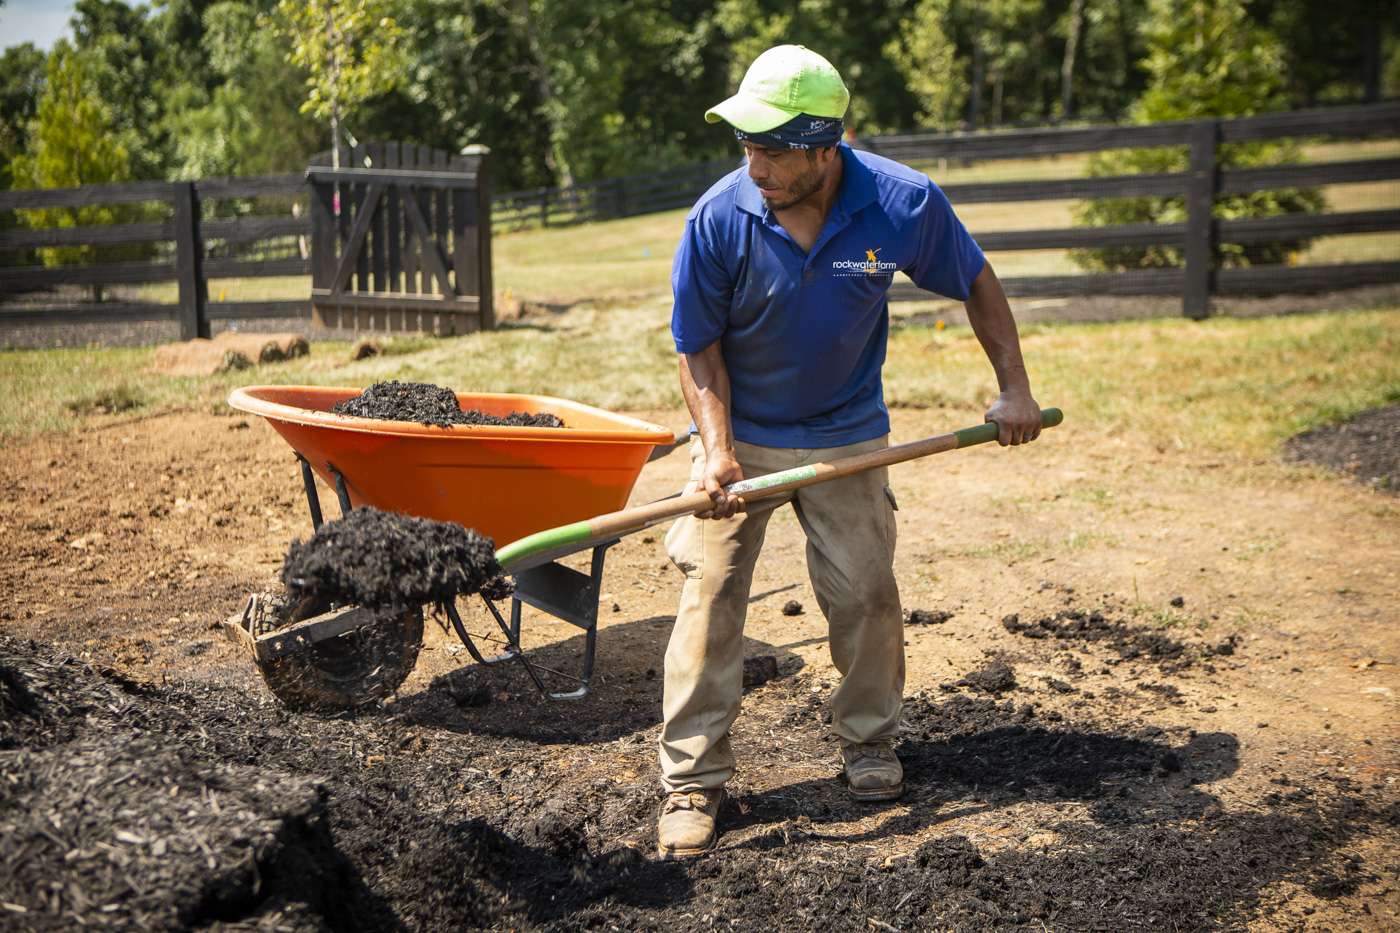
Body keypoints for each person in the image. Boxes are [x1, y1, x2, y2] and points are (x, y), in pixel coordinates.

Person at [657, 44, 1045, 859]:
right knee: (713, 592)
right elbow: (698, 346)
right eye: (747, 147)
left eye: (771, 148)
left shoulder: (901, 204)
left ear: (824, 147)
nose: (754, 164)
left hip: (846, 432)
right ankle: (693, 779)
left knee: (867, 591)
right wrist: (716, 450)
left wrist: (1014, 387)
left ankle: (869, 741)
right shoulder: (720, 217)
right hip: (743, 433)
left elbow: (974, 277)